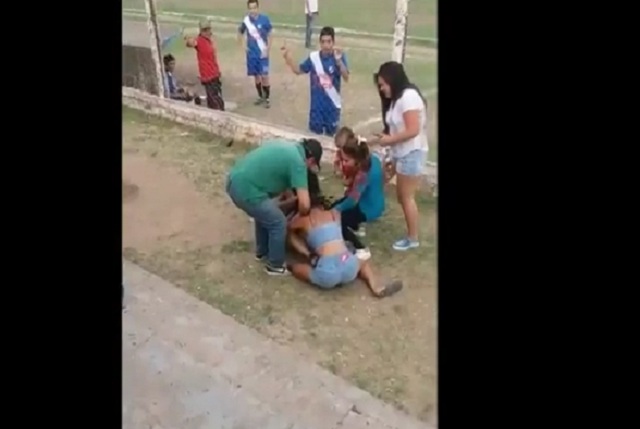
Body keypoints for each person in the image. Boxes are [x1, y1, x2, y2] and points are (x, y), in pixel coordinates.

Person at [225, 138, 323, 275]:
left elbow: (285, 189)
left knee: (266, 214)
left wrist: (292, 200)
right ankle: (275, 265)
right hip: (246, 189)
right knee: (278, 222)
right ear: (311, 160)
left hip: (234, 180)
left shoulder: (287, 148)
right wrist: (299, 215)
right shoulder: (298, 162)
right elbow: (305, 204)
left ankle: (263, 252)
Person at [286, 193, 402, 297]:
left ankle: (290, 266)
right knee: (363, 263)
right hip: (347, 265)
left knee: (297, 268)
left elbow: (289, 226)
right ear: (322, 206)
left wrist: (299, 215)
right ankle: (375, 287)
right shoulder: (335, 214)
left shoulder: (306, 220)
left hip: (327, 274)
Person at [371, 61, 428, 251]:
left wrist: (390, 140)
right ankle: (411, 236)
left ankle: (413, 238)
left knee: (406, 196)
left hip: (412, 152)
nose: (381, 89)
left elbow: (413, 129)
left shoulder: (408, 97)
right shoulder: (396, 99)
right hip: (401, 152)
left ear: (392, 80)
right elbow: (396, 129)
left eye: (382, 84)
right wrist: (386, 142)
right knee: (401, 195)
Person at [282, 26, 349, 136]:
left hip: (332, 108)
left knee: (331, 138)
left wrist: (339, 62)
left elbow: (346, 77)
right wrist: (288, 59)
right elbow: (298, 70)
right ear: (320, 42)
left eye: (329, 42)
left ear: (333, 42)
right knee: (314, 138)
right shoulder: (313, 58)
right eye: (323, 42)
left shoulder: (339, 56)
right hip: (316, 108)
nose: (326, 45)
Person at [332, 133, 385, 260]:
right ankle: (355, 226)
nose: (344, 163)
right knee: (335, 206)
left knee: (337, 220)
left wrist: (336, 210)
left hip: (367, 208)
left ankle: (360, 248)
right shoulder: (373, 160)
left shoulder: (363, 174)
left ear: (357, 159)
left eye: (346, 160)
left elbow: (352, 200)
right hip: (375, 202)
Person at [238, 0, 273, 108]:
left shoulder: (265, 19)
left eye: (254, 8)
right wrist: (244, 46)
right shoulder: (246, 21)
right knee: (256, 76)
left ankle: (266, 98)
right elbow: (240, 32)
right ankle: (260, 96)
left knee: (265, 76)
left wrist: (267, 49)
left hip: (263, 54)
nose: (253, 10)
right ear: (248, 9)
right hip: (252, 54)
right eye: (251, 8)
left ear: (258, 8)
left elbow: (270, 33)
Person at [185, 19, 225, 110]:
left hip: (215, 75)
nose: (207, 32)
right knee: (213, 100)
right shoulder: (199, 41)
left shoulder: (209, 41)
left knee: (218, 99)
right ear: (201, 31)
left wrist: (218, 71)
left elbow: (213, 59)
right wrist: (189, 40)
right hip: (208, 77)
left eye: (208, 29)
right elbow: (191, 43)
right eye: (204, 30)